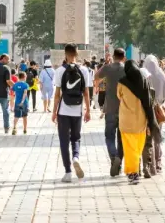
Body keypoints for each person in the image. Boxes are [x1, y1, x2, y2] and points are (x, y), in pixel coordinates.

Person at [52, 44, 93, 183]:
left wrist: (54, 112)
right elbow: (86, 92)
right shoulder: (84, 70)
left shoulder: (59, 71)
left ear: (65, 54)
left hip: (63, 110)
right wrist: (88, 110)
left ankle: (68, 172)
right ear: (77, 54)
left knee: (64, 140)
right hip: (78, 110)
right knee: (76, 138)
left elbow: (57, 94)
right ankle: (76, 157)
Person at [117, 60, 159, 185]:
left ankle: (132, 173)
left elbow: (119, 96)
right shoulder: (144, 81)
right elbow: (148, 101)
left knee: (129, 148)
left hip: (126, 120)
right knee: (138, 148)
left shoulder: (122, 82)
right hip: (141, 121)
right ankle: (134, 170)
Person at [96, 47, 125, 177]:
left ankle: (113, 157)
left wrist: (106, 66)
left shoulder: (108, 68)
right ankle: (119, 160)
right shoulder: (127, 69)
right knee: (122, 138)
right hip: (125, 109)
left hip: (110, 108)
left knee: (109, 136)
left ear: (113, 56)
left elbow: (96, 76)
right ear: (124, 57)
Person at [143, 54, 165, 174]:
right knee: (157, 136)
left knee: (147, 138)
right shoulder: (161, 75)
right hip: (158, 111)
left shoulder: (143, 75)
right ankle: (158, 163)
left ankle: (150, 163)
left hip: (145, 110)